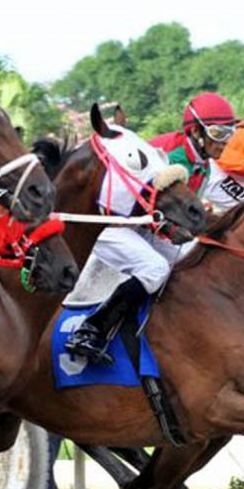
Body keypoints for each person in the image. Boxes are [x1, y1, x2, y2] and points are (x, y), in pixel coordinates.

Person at [63, 115, 189, 364]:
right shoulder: (110, 160)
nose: (224, 140)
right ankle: (91, 330)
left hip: (135, 224)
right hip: (103, 225)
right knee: (154, 269)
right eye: (218, 133)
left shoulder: (191, 162)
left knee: (185, 258)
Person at [149, 92, 237, 194]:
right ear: (195, 131)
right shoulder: (170, 158)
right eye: (217, 133)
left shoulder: (205, 165)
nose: (226, 141)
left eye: (230, 133)